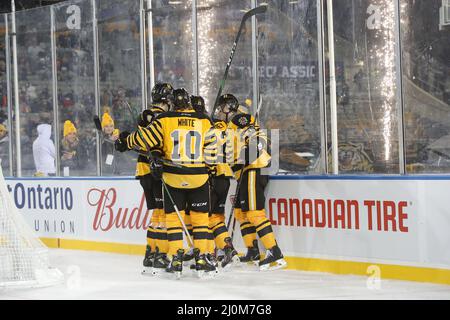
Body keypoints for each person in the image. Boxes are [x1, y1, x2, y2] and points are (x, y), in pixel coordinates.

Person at [115, 88, 217, 278]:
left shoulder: (164, 119)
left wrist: (125, 141)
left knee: (173, 220)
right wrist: (209, 171)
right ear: (187, 102)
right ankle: (202, 257)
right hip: (198, 177)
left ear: (172, 103)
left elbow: (144, 138)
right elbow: (213, 149)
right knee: (200, 220)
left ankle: (176, 258)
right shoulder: (204, 120)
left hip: (173, 177)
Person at [218, 94, 287, 271]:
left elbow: (260, 140)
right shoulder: (227, 126)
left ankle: (274, 252)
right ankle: (253, 250)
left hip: (254, 168)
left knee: (255, 213)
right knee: (242, 213)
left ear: (229, 108)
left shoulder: (239, 119)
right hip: (243, 172)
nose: (219, 112)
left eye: (222, 108)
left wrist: (251, 150)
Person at [192, 94, 239, 268]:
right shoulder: (229, 129)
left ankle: (212, 252)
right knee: (217, 218)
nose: (219, 111)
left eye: (220, 109)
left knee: (205, 218)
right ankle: (228, 250)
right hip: (225, 179)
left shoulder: (209, 126)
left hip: (212, 175)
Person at [134, 82, 174, 275]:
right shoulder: (164, 117)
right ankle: (160, 254)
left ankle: (150, 253)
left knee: (156, 214)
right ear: (167, 100)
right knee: (163, 214)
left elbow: (138, 140)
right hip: (157, 169)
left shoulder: (145, 114)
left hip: (142, 170)